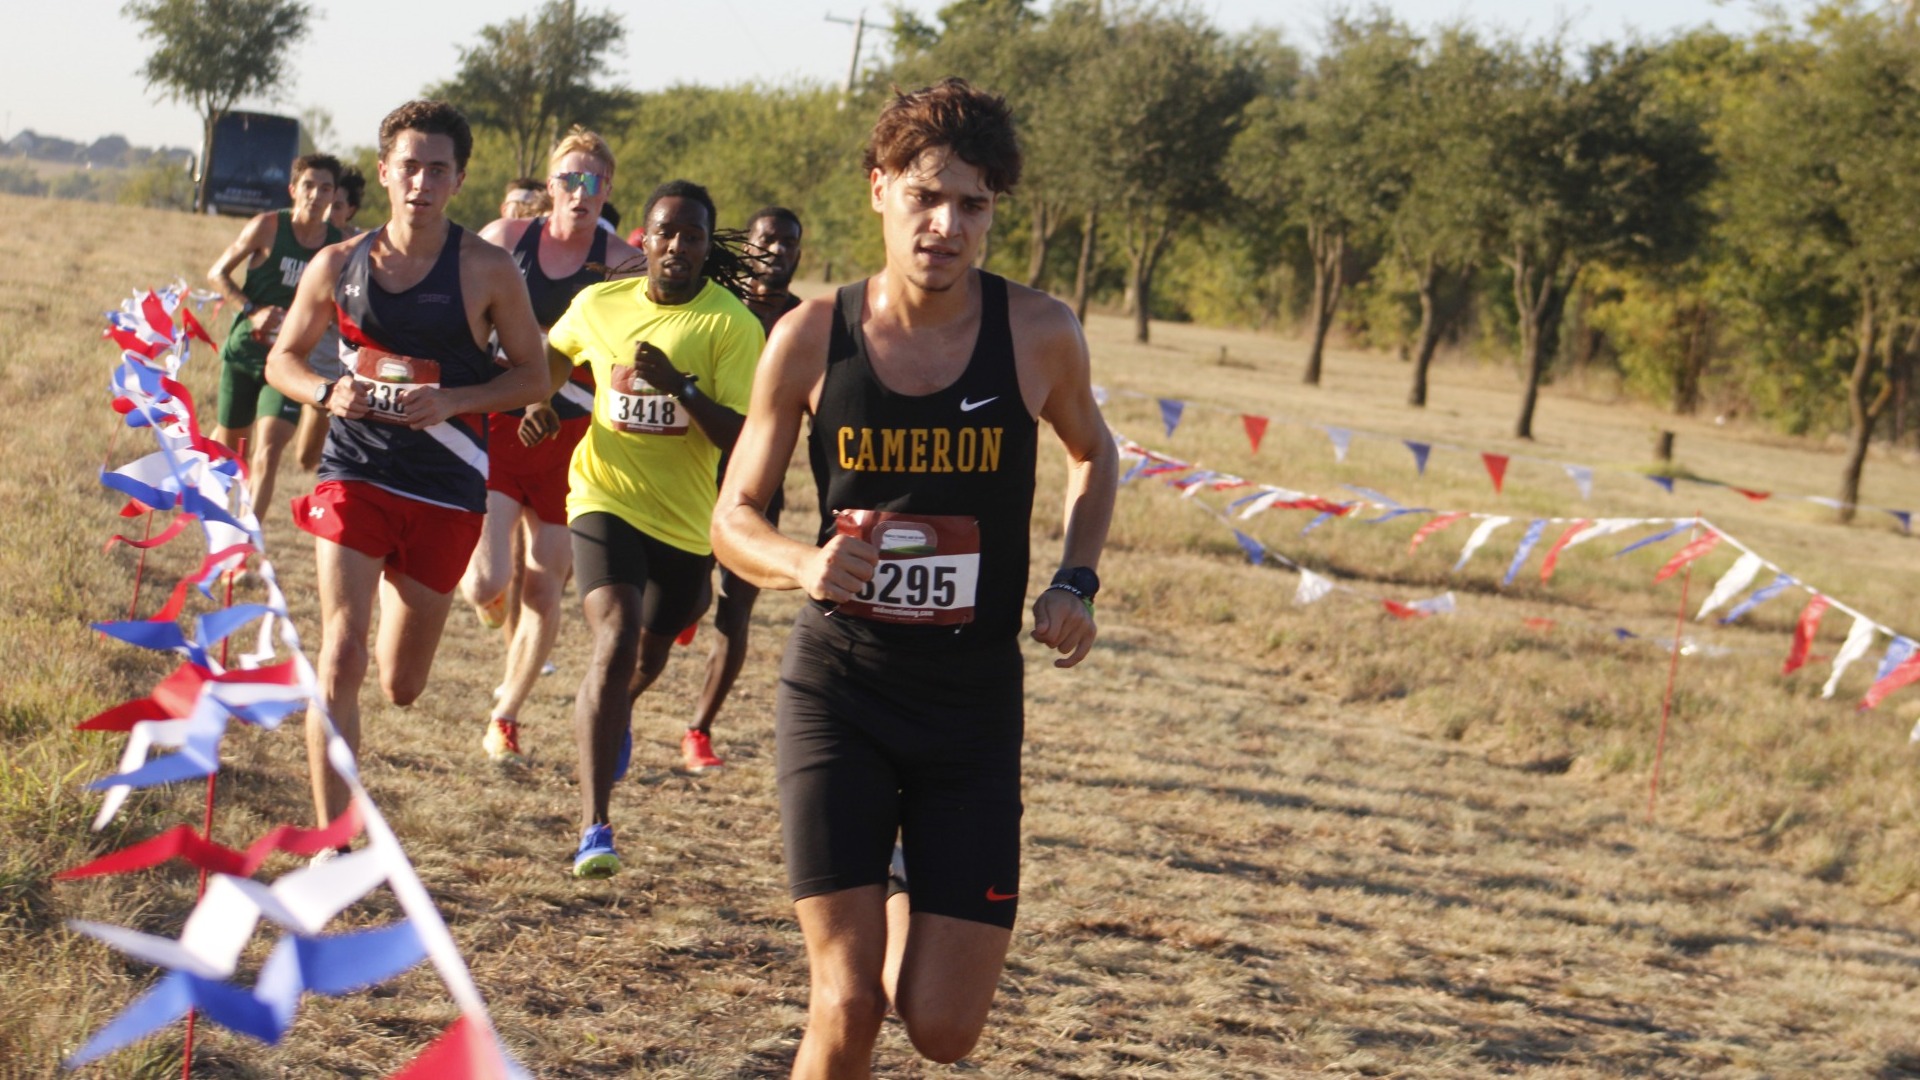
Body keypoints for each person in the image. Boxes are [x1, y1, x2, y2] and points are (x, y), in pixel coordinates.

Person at [709, 78, 1118, 1076]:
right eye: (927, 196)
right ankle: (874, 880)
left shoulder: (1039, 333)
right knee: (845, 1003)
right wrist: (801, 562)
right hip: (840, 689)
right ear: (879, 188)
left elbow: (1094, 455)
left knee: (942, 1029)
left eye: (973, 204)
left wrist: (1076, 580)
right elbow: (732, 516)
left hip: (971, 708)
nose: (947, 224)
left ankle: (895, 877)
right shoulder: (811, 337)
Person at [263, 100, 551, 830]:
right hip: (355, 470)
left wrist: (454, 400)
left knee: (400, 686)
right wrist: (329, 392)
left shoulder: (486, 270)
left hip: (446, 486)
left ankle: (404, 595)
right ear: (385, 172)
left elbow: (533, 377)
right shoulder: (338, 264)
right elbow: (283, 359)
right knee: (340, 656)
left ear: (458, 180)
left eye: (438, 169)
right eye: (409, 167)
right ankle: (332, 842)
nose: (421, 183)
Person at [549, 179, 766, 877]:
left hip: (683, 524)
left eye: (693, 237)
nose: (677, 247)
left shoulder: (731, 324)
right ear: (644, 237)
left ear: (707, 248)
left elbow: (741, 436)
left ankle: (614, 713)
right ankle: (595, 828)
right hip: (602, 494)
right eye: (666, 233)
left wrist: (682, 387)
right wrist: (544, 407)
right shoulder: (598, 303)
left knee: (647, 654)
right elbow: (545, 369)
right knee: (612, 638)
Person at [460, 126, 641, 764]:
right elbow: (461, 312)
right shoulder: (508, 240)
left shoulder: (623, 261)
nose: (581, 192)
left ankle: (505, 713)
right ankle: (489, 599)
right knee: (487, 579)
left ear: (608, 191)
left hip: (574, 440)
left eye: (594, 182)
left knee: (546, 587)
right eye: (570, 179)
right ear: (549, 187)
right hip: (502, 427)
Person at [680, 205, 805, 773]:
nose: (777, 251)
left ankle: (699, 730)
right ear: (746, 244)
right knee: (688, 598)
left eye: (789, 243)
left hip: (760, 483)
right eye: (767, 240)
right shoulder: (715, 304)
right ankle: (684, 606)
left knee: (736, 612)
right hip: (690, 472)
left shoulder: (807, 324)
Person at [206, 153, 343, 521]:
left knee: (267, 451)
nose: (316, 195)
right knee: (228, 451)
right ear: (293, 189)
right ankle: (219, 528)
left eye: (325, 188)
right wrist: (252, 310)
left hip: (288, 364)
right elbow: (217, 273)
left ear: (334, 197)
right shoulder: (266, 227)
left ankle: (243, 541)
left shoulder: (338, 247)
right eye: (309, 186)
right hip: (244, 353)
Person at [293, 165, 367, 472]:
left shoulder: (362, 247)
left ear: (350, 210)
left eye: (337, 206)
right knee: (304, 457)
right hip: (310, 349)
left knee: (317, 455)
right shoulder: (311, 241)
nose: (327, 212)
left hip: (344, 354)